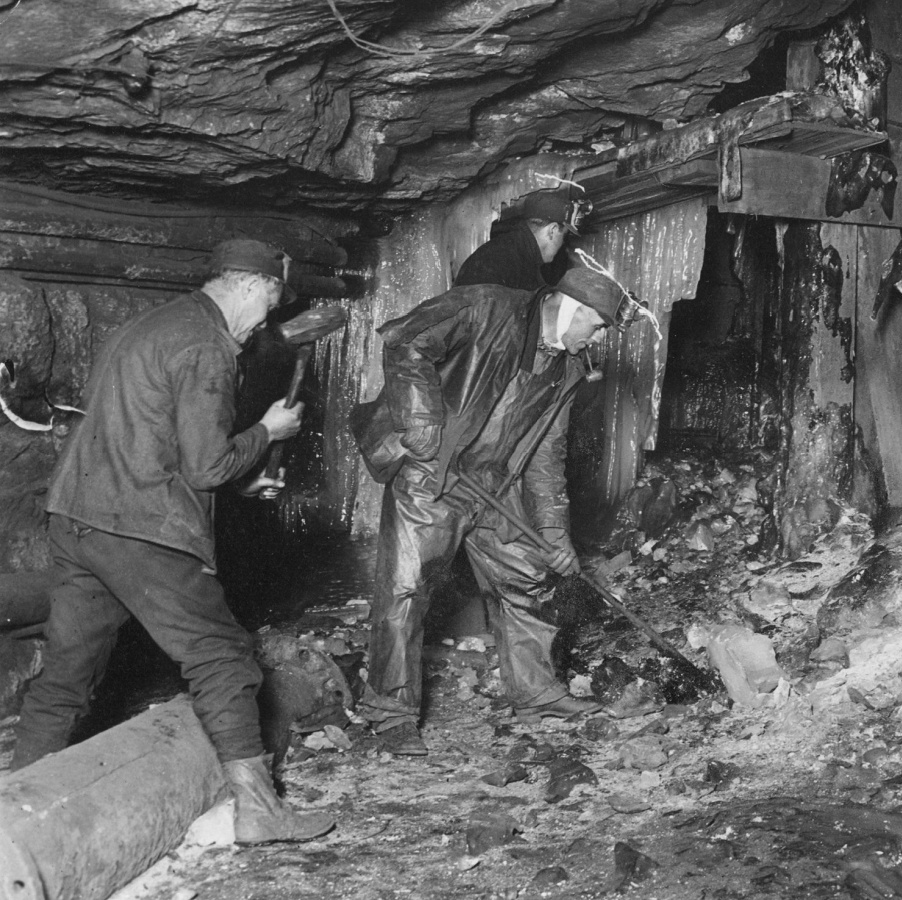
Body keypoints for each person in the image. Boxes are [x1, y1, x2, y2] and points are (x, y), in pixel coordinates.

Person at [11, 239, 334, 844]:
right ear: (249, 285)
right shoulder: (206, 346)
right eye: (270, 299)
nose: (266, 319)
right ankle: (260, 811)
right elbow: (208, 466)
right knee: (224, 659)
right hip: (140, 528)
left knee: (67, 674)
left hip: (78, 515)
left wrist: (243, 478)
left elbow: (153, 442)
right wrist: (267, 430)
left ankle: (15, 814)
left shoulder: (151, 325)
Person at [350, 266, 627, 756]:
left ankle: (536, 694)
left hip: (494, 483)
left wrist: (554, 533)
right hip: (431, 473)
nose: (598, 337)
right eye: (599, 325)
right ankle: (390, 714)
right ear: (572, 307)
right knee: (406, 588)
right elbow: (405, 339)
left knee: (528, 574)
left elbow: (546, 456)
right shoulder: (487, 307)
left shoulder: (566, 368)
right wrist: (420, 419)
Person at [454, 187, 589, 292]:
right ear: (552, 230)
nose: (563, 243)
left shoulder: (515, 252)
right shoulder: (506, 260)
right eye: (564, 236)